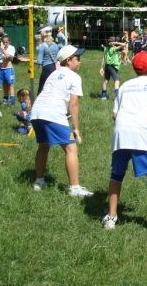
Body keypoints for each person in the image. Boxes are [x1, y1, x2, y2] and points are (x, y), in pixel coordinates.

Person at [101, 51, 147, 236]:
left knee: (116, 174)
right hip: (142, 135)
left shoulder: (125, 86)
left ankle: (111, 217)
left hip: (121, 134)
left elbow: (114, 115)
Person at [31, 45, 93, 197]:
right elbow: (74, 104)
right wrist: (76, 128)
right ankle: (74, 188)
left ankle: (39, 181)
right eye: (77, 59)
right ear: (68, 60)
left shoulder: (52, 73)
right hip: (53, 114)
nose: (80, 62)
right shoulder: (74, 77)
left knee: (43, 146)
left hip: (36, 112)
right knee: (71, 148)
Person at [0, 34, 16, 105]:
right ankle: (5, 100)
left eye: (6, 42)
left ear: (9, 42)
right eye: (3, 42)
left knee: (10, 85)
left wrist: (2, 49)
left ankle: (12, 102)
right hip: (2, 69)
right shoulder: (1, 49)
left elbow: (8, 56)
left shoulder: (11, 48)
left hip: (8, 69)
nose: (5, 44)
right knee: (4, 85)